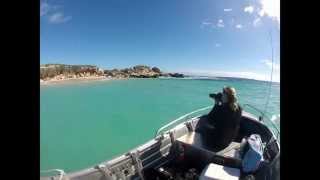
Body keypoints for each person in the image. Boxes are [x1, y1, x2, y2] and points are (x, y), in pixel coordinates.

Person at [206, 86, 242, 151]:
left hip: (218, 142)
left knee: (204, 127)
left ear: (227, 96)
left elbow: (209, 119)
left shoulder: (222, 109)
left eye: (223, 93)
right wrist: (222, 104)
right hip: (230, 139)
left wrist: (216, 104)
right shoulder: (239, 107)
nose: (222, 95)